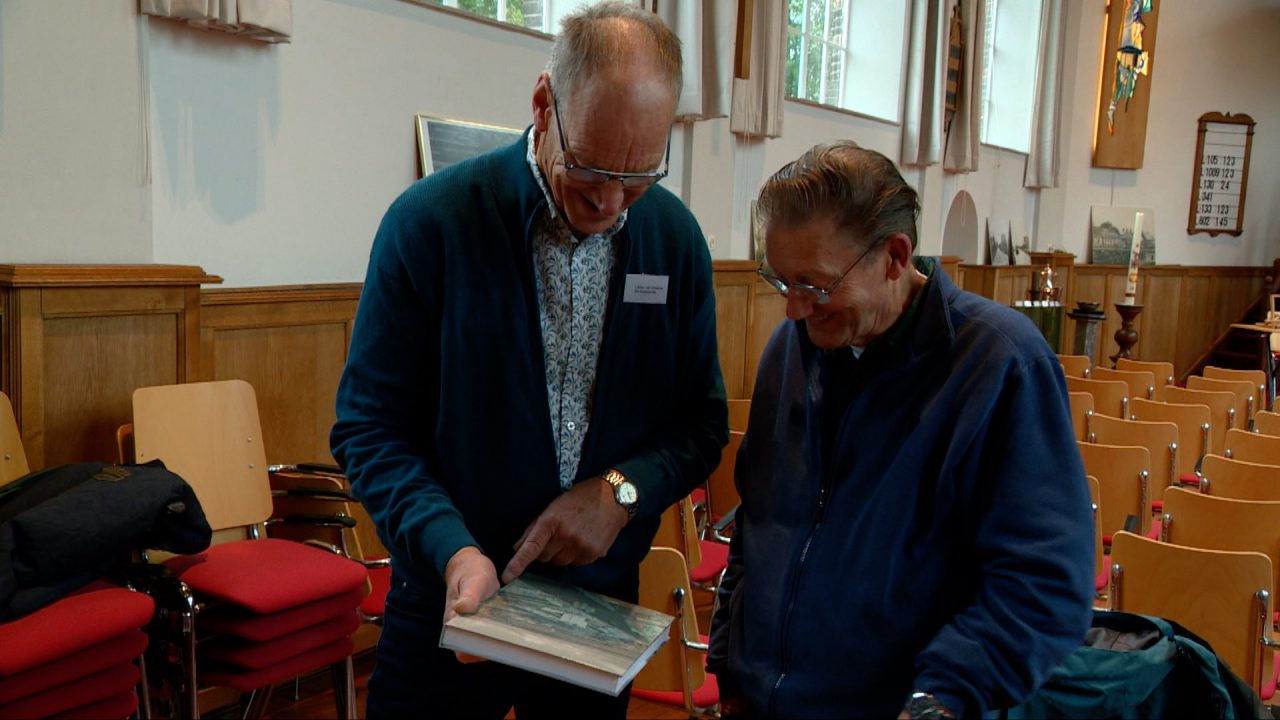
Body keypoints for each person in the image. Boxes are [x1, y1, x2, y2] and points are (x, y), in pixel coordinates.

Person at [329, 4, 727, 718]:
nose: (610, 201)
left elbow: (700, 423)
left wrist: (620, 493)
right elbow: (369, 428)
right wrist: (453, 549)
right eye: (590, 169)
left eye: (638, 176)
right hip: (451, 607)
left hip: (596, 614)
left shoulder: (674, 241)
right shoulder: (430, 224)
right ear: (544, 104)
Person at [706, 141, 1095, 720]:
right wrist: (729, 665)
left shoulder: (999, 364)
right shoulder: (791, 347)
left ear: (893, 256)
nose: (792, 309)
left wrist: (942, 699)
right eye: (780, 281)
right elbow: (758, 526)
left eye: (814, 284)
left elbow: (1044, 583)